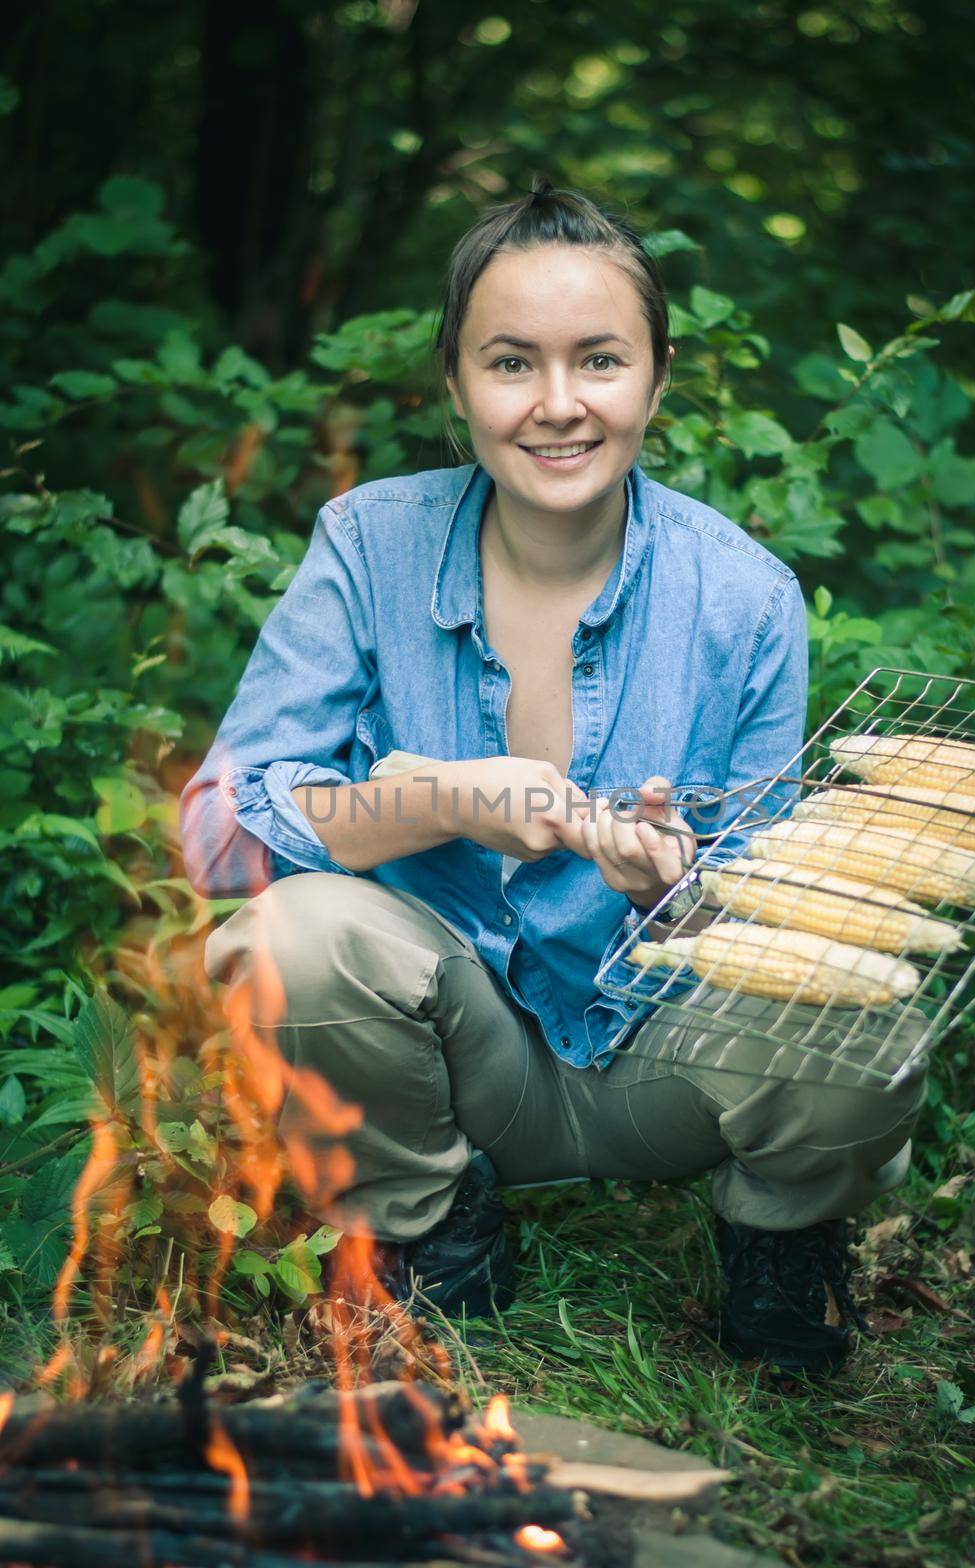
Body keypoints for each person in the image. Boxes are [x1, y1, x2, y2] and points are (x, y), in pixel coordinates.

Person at [180, 178, 929, 1378]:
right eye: (510, 362)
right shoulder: (371, 547)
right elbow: (218, 836)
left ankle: (777, 1239)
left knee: (868, 1027)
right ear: (454, 383)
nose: (558, 404)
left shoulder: (742, 599)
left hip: (658, 1061)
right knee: (286, 934)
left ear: (655, 376)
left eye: (598, 359)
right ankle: (434, 1220)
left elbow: (762, 906)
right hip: (440, 1053)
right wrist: (441, 799)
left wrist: (665, 887)